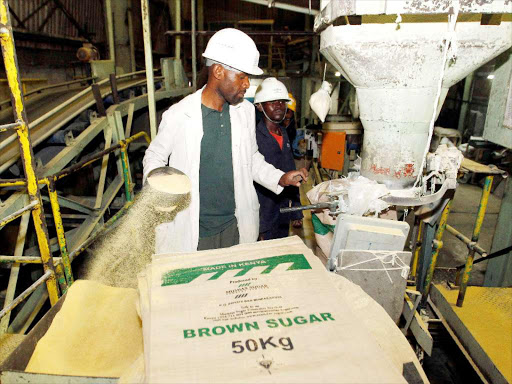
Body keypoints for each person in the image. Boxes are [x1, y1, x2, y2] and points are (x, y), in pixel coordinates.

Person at [143, 28, 307, 253]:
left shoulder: (245, 113)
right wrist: (160, 187)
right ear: (218, 71)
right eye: (242, 77)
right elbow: (155, 156)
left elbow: (251, 159)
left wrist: (279, 178)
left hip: (235, 226)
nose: (247, 84)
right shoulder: (180, 114)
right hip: (195, 230)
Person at [254, 78, 305, 240]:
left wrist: (296, 209)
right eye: (272, 102)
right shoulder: (253, 137)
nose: (279, 105)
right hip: (262, 216)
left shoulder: (284, 133)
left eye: (282, 102)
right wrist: (259, 227)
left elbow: (290, 171)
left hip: (283, 213)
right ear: (259, 106)